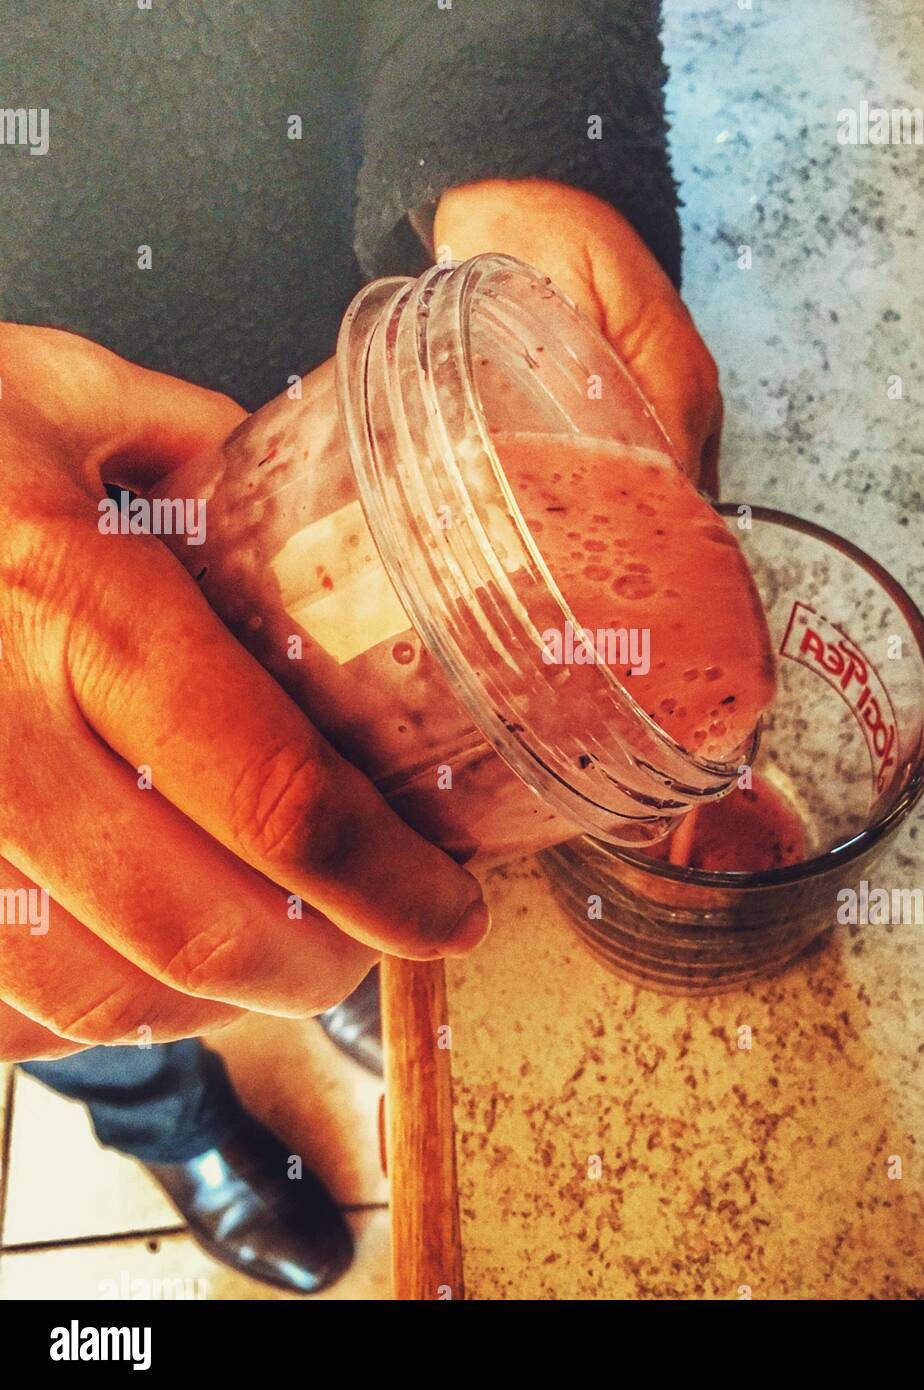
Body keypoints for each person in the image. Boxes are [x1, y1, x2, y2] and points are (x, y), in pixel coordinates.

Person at [0, 1, 721, 1293]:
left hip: (356, 395)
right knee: (77, 924)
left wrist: (517, 112)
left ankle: (336, 978)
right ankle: (169, 1121)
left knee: (343, 807)